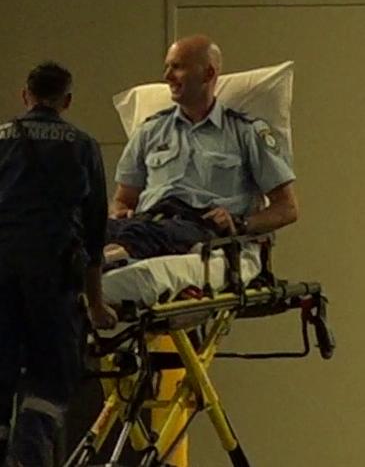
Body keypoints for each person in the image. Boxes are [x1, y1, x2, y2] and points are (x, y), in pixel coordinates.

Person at [0, 62, 117, 467]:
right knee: (51, 378)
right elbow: (95, 232)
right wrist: (97, 304)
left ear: (24, 95)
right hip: (52, 280)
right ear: (67, 101)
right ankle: (31, 454)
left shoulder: (1, 139)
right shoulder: (82, 146)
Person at [107, 34, 298, 261]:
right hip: (146, 221)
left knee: (151, 234)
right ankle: (102, 258)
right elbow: (123, 199)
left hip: (198, 226)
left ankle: (105, 262)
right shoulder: (150, 131)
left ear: (208, 74)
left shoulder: (246, 132)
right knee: (82, 228)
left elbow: (287, 208)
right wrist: (118, 211)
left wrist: (241, 223)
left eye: (177, 68)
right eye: (167, 67)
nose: (167, 76)